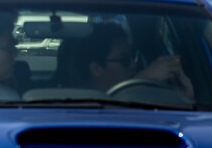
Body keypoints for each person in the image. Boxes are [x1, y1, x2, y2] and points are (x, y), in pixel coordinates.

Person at [58, 23, 193, 97]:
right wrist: (142, 80)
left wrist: (184, 99)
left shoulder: (151, 103)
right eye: (125, 60)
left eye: (134, 57)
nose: (134, 65)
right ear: (96, 69)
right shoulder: (68, 109)